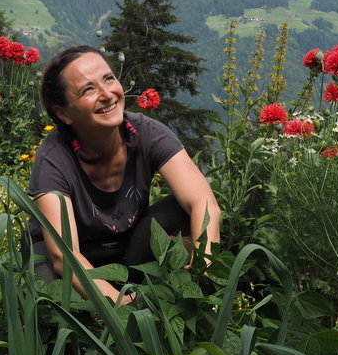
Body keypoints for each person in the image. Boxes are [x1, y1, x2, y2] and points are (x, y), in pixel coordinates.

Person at [28, 45, 220, 306]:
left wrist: (203, 264)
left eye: (109, 79)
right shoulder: (54, 160)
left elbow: (203, 202)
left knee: (180, 208)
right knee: (53, 301)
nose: (107, 94)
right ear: (64, 113)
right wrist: (120, 305)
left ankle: (156, 296)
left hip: (129, 249)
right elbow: (64, 255)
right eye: (88, 89)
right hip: (65, 260)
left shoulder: (148, 133)